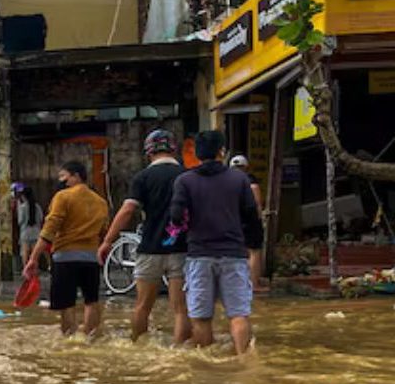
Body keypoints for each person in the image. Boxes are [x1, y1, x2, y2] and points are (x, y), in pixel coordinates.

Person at [169, 132, 261, 355]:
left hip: (199, 255)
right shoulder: (239, 179)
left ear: (197, 154)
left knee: (201, 318)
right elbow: (251, 216)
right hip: (234, 255)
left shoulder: (185, 181)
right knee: (238, 314)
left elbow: (175, 216)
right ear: (222, 152)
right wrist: (254, 246)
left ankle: (206, 368)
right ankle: (244, 362)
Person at [98, 129, 191, 344]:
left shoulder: (143, 177)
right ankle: (179, 353)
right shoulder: (187, 176)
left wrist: (107, 241)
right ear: (174, 150)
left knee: (142, 306)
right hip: (182, 249)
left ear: (148, 152)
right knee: (180, 309)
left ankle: (137, 347)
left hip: (149, 248)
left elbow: (127, 210)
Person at [24, 161, 109, 337]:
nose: (61, 181)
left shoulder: (63, 197)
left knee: (66, 303)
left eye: (64, 176)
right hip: (91, 259)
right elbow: (104, 232)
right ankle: (90, 339)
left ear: (76, 176)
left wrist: (33, 259)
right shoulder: (100, 202)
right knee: (92, 300)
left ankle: (70, 340)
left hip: (65, 258)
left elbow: (49, 231)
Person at [230, 154, 266, 289]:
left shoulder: (227, 182)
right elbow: (257, 204)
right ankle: (253, 284)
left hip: (233, 221)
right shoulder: (251, 182)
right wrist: (260, 219)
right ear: (246, 167)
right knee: (254, 252)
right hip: (250, 221)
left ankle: (237, 285)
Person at [13, 183, 43, 270]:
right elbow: (41, 219)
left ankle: (26, 270)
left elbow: (20, 221)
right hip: (36, 233)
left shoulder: (22, 207)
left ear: (24, 196)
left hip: (25, 233)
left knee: (25, 253)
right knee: (34, 254)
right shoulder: (37, 207)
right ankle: (35, 271)